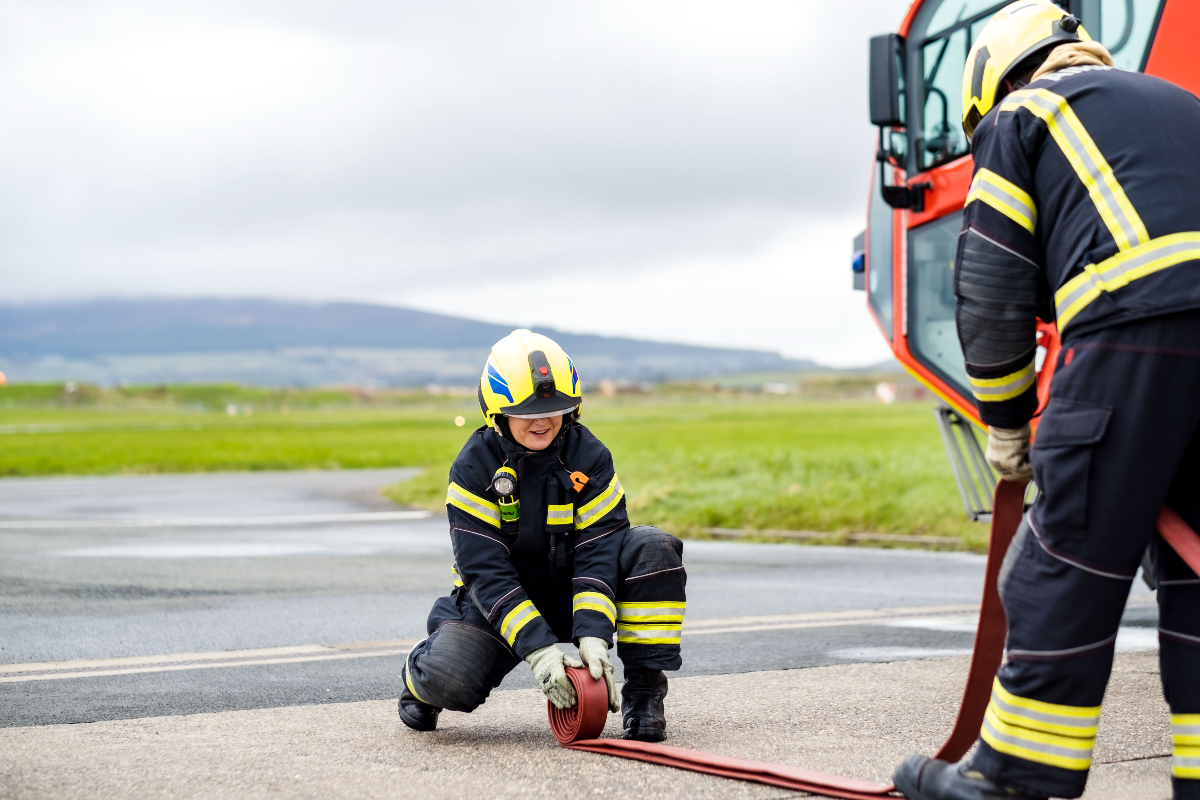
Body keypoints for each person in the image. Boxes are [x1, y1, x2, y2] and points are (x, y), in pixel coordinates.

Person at [894, 2, 1200, 799]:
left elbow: (993, 285)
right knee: (1193, 569)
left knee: (1065, 556)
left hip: (1136, 329)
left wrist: (1006, 421)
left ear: (994, 81)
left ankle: (1015, 781)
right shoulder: (1183, 104)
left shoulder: (1023, 114)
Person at [398, 329, 687, 742]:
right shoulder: (473, 469)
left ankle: (644, 695)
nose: (542, 420)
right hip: (501, 601)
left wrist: (594, 635)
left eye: (554, 408)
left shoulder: (591, 457)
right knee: (449, 679)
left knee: (652, 548)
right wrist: (540, 652)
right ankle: (422, 671)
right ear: (497, 414)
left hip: (573, 592)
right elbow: (486, 572)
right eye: (526, 411)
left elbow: (599, 551)